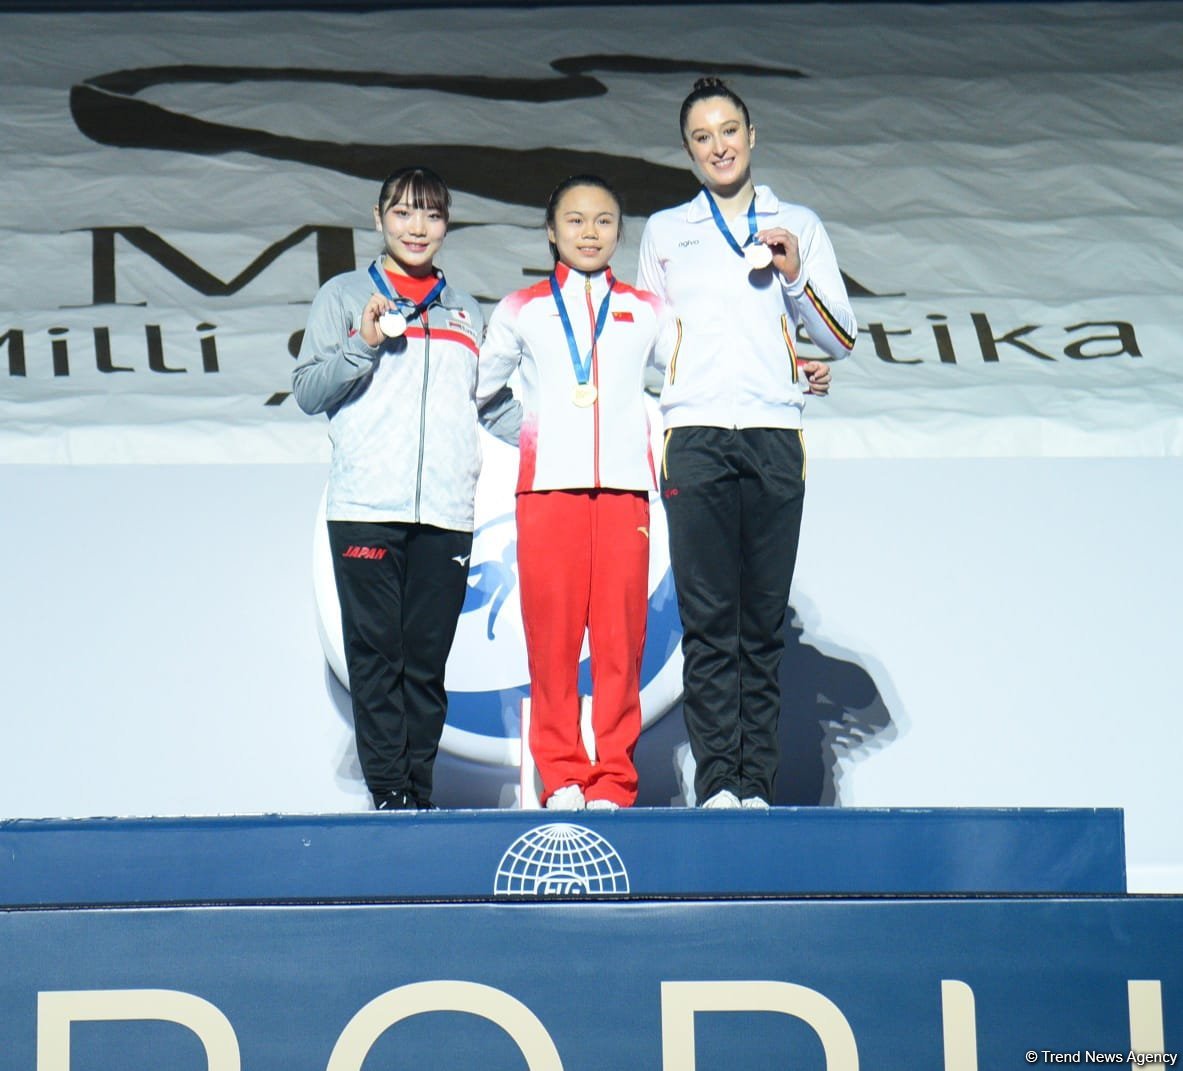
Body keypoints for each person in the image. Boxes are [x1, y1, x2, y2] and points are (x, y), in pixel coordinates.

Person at [637, 77, 857, 810]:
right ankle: (717, 785)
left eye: (728, 130)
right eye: (702, 137)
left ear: (751, 135)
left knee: (759, 626)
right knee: (708, 624)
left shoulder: (798, 223)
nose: (718, 146)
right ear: (689, 151)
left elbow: (838, 337)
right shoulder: (667, 232)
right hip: (694, 434)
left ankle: (753, 786)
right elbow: (644, 344)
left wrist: (794, 277)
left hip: (771, 432)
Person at [292, 166, 512, 812]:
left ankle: (417, 794)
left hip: (446, 514)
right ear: (379, 216)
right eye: (404, 212)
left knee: (425, 665)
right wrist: (362, 343)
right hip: (366, 510)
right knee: (376, 660)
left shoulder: (466, 309)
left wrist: (569, 437)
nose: (418, 227)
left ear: (446, 224)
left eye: (432, 215)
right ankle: (390, 794)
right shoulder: (342, 296)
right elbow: (309, 390)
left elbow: (491, 405)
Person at [477, 175, 666, 811]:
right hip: (548, 495)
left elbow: (693, 381)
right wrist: (536, 435)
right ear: (551, 230)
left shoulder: (647, 310)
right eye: (576, 220)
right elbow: (479, 390)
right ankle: (560, 775)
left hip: (623, 498)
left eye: (605, 220)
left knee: (620, 642)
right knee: (552, 641)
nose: (590, 232)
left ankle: (614, 778)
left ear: (620, 231)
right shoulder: (521, 308)